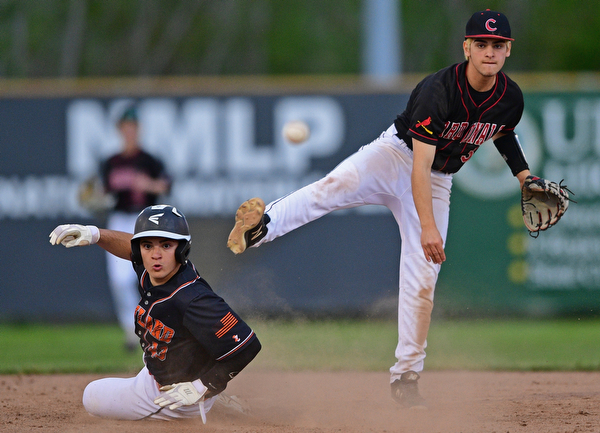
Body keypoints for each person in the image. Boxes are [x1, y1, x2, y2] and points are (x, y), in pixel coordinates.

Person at [227, 10, 533, 408]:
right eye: (481, 44)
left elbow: (502, 133)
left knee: (423, 277)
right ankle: (261, 228)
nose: (489, 51)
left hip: (439, 179)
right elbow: (418, 167)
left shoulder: (511, 99)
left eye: (497, 45)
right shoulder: (439, 90)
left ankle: (406, 375)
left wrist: (525, 176)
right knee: (332, 187)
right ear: (467, 48)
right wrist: (427, 226)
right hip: (395, 156)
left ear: (507, 50)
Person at [49, 205, 261, 421]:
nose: (155, 255)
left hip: (171, 397)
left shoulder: (193, 299)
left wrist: (203, 385)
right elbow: (132, 249)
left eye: (166, 245)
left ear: (182, 249)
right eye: (147, 245)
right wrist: (95, 234)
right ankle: (211, 399)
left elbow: (248, 346)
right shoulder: (159, 268)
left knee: (91, 396)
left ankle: (202, 403)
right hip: (165, 369)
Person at [101, 105, 171, 350]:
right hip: (119, 220)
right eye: (125, 127)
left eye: (133, 126)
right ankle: (133, 331)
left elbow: (166, 186)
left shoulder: (149, 160)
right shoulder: (111, 162)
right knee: (120, 280)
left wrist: (149, 185)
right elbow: (102, 194)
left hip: (145, 221)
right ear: (120, 130)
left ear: (138, 129)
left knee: (151, 277)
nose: (129, 131)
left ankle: (159, 328)